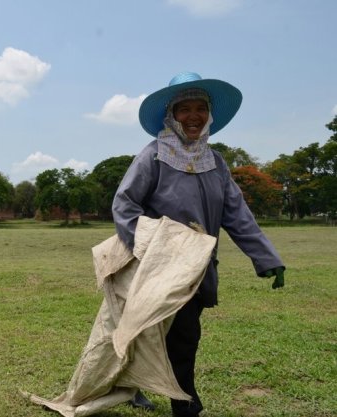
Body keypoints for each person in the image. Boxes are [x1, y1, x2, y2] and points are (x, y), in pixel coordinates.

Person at [112, 71, 285, 417]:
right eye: (184, 109)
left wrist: (266, 258)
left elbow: (237, 214)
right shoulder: (154, 155)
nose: (193, 116)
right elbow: (124, 204)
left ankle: (145, 390)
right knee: (166, 334)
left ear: (209, 115)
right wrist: (150, 247)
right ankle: (183, 401)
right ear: (171, 115)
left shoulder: (215, 161)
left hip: (198, 266)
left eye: (200, 109)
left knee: (170, 333)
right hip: (155, 263)